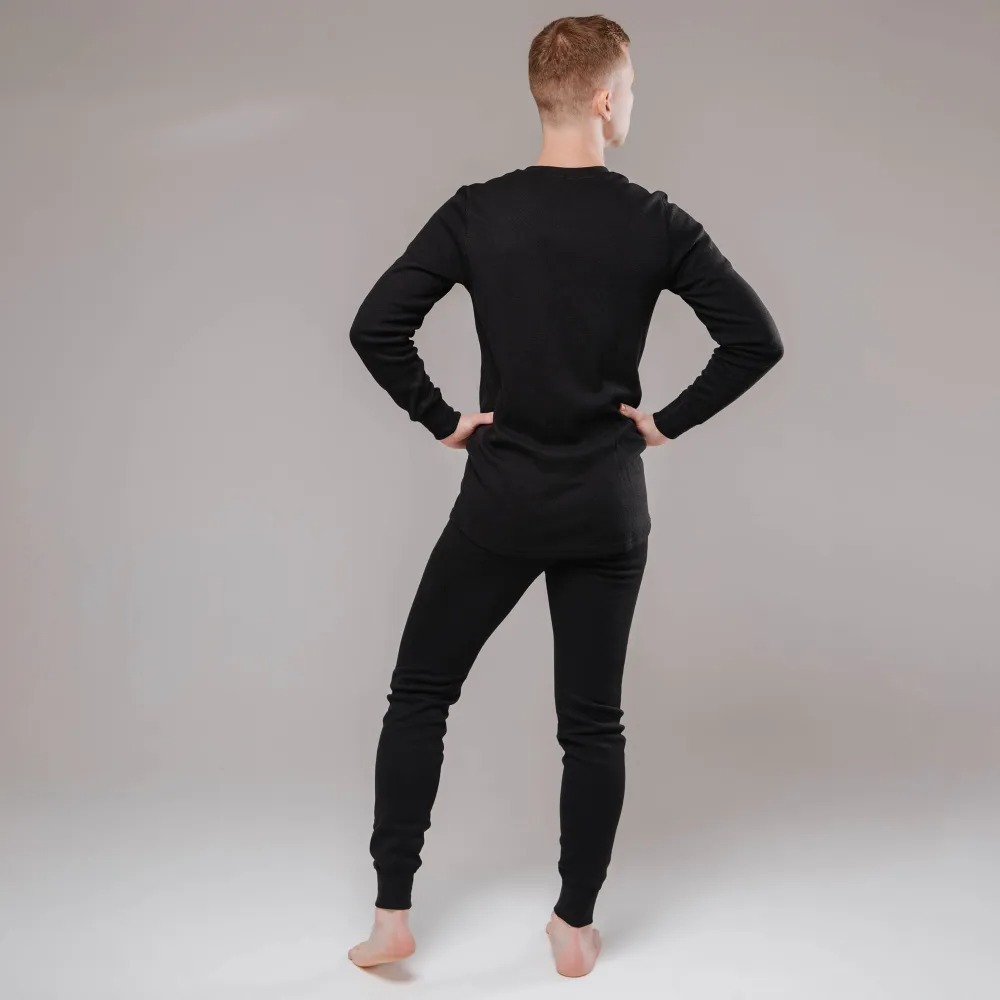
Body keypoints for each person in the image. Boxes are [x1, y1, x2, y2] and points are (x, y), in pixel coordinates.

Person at [346, 14, 784, 978]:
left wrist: (443, 418)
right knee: (592, 724)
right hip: (605, 507)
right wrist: (663, 423)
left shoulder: (478, 213)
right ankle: (574, 926)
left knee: (420, 695)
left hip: (500, 502)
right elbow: (756, 340)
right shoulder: (655, 221)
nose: (632, 106)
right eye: (632, 91)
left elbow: (376, 326)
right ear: (603, 98)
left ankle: (391, 920)